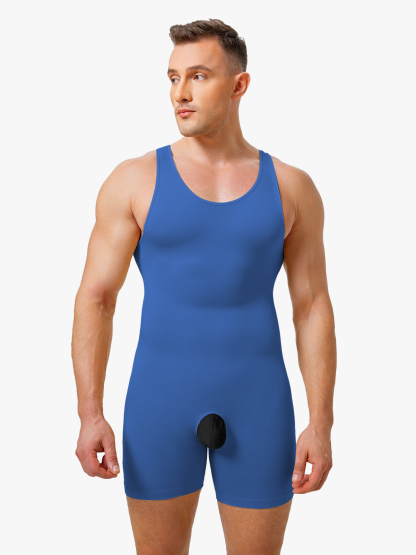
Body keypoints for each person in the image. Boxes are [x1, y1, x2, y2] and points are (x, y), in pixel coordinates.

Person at [72, 18, 336, 555]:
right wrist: (89, 413)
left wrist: (321, 422)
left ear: (239, 85)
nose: (180, 93)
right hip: (158, 404)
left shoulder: (291, 187)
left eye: (198, 76)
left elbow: (311, 307)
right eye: (173, 78)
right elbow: (96, 299)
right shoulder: (134, 180)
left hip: (259, 405)